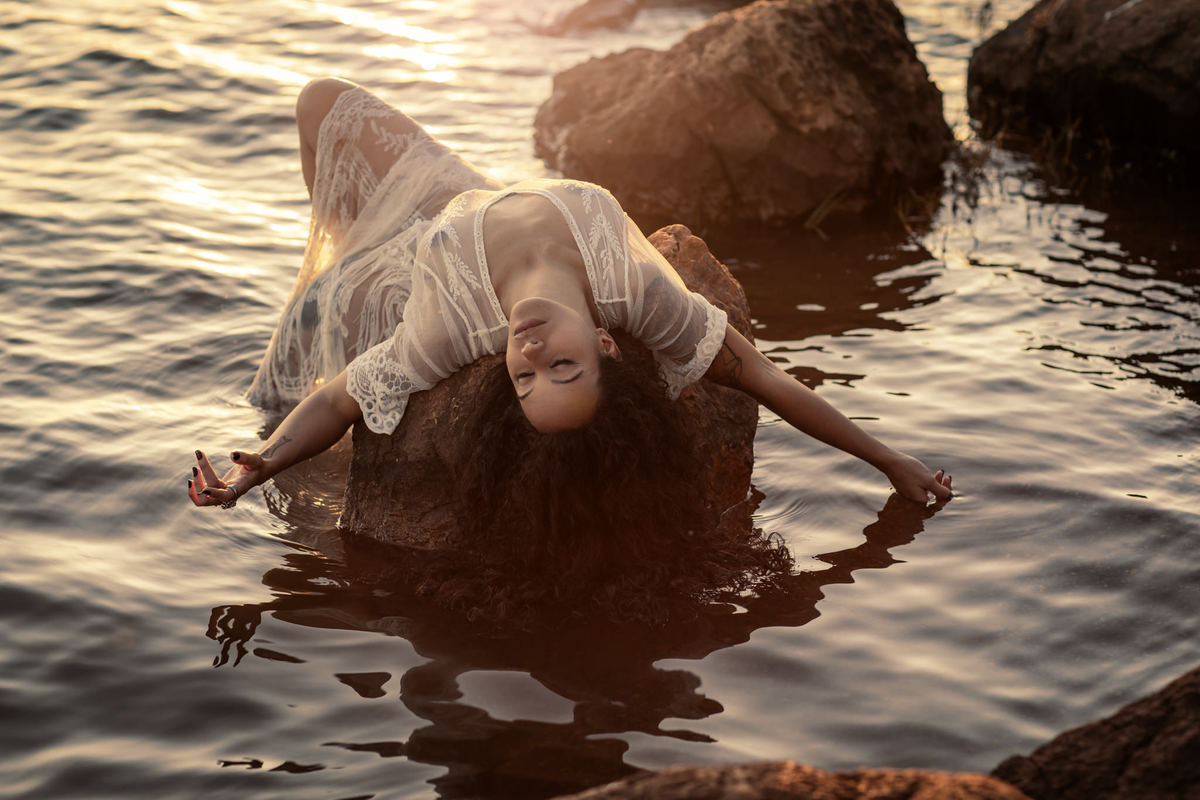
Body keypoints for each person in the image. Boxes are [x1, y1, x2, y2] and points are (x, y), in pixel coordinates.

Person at [188, 79, 951, 606]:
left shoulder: (451, 328)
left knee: (323, 123)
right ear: (608, 346)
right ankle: (350, 240)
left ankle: (350, 252)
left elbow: (334, 398)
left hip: (427, 244)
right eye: (562, 365)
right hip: (467, 192)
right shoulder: (641, 297)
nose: (527, 353)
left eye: (523, 381)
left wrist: (252, 473)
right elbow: (768, 380)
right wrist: (891, 460)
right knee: (319, 101)